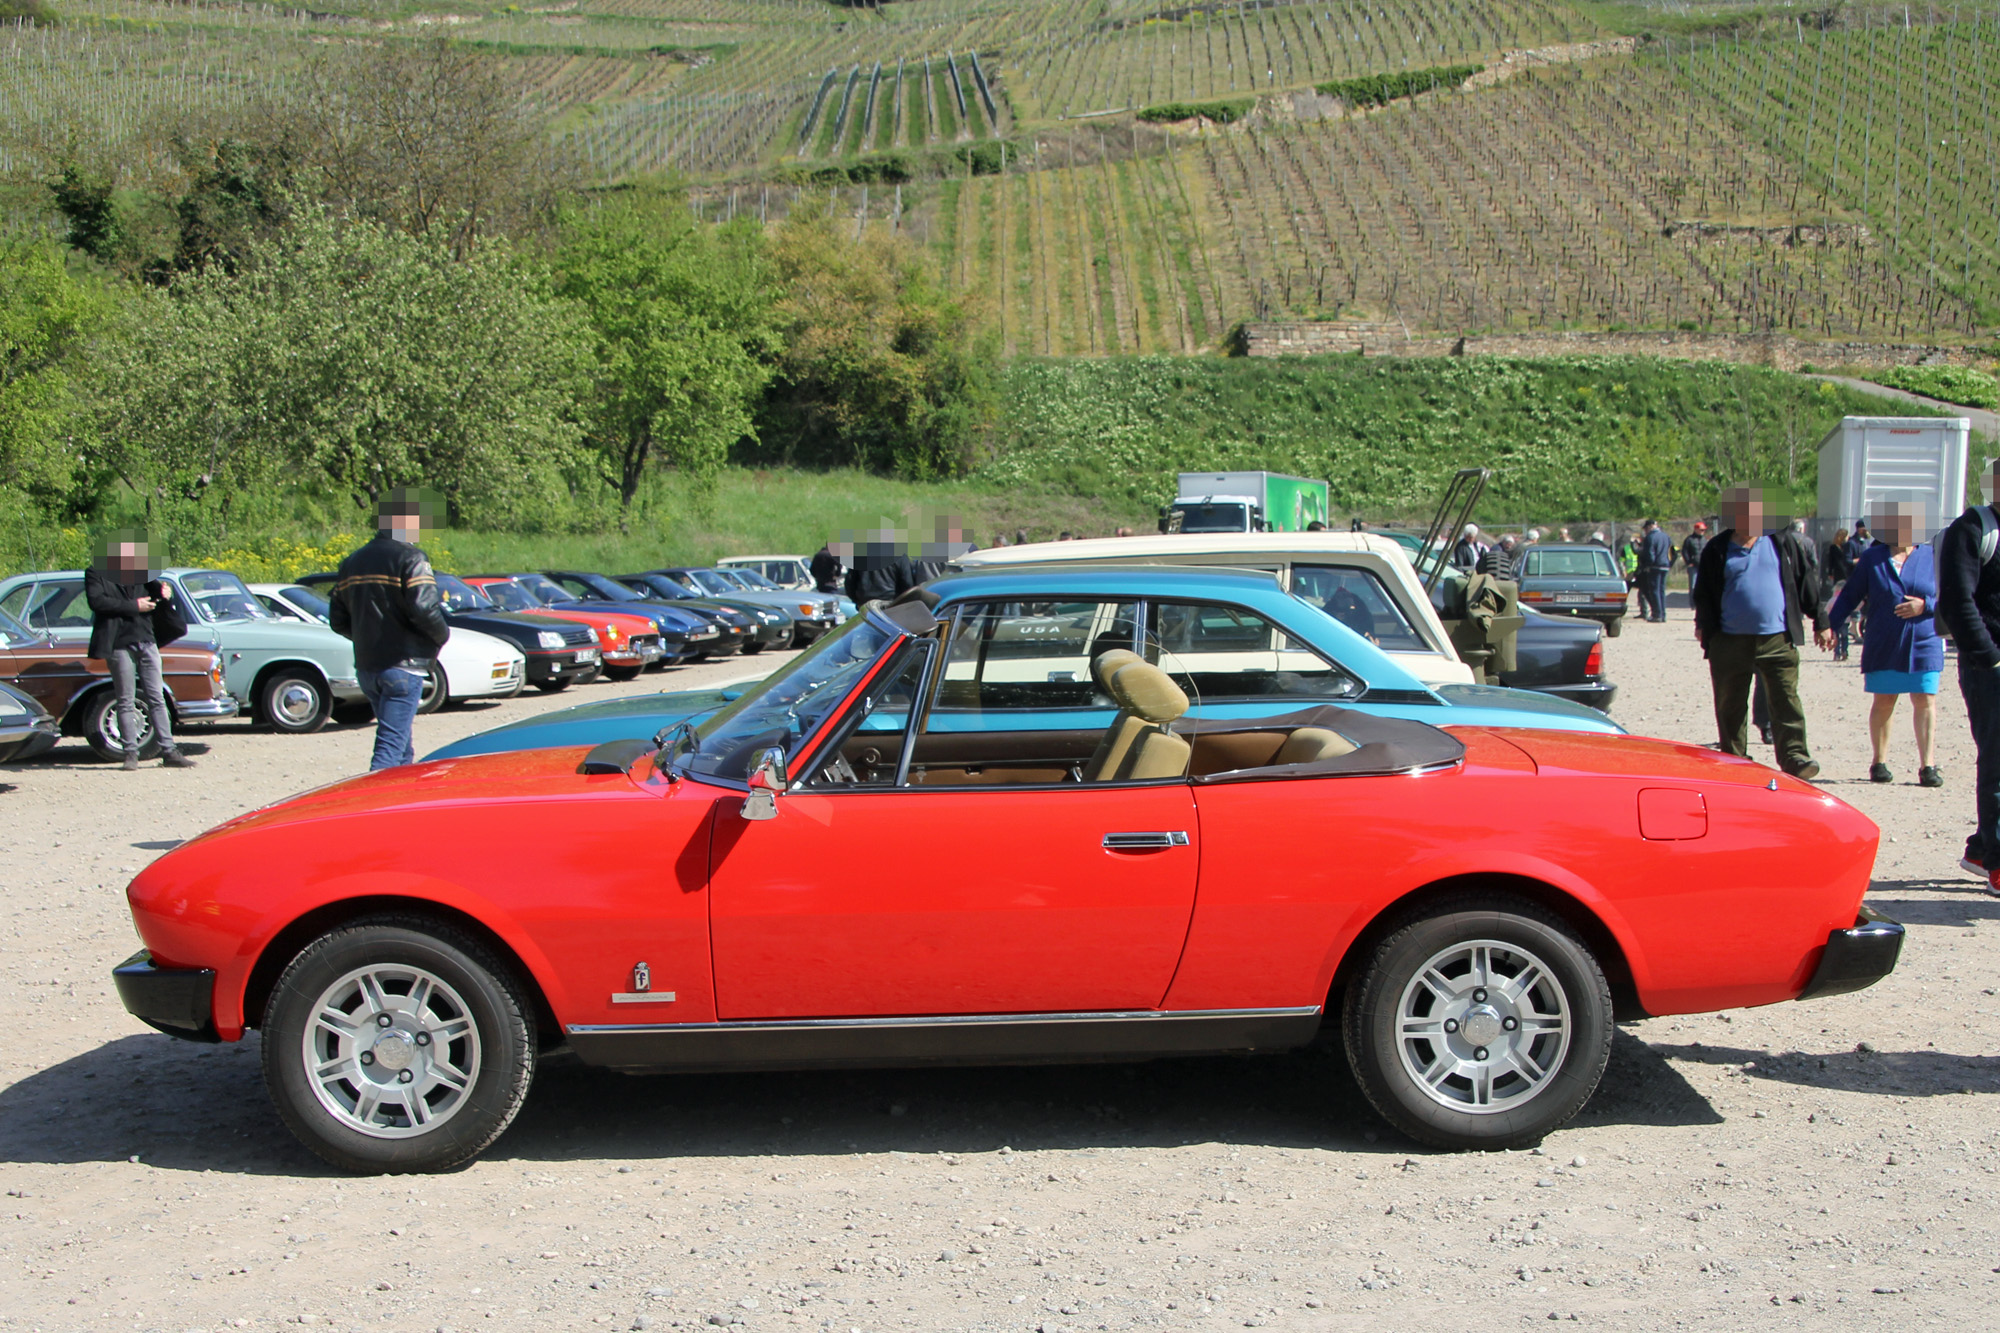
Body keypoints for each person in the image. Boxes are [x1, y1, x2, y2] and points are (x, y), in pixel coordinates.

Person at [1693, 486, 1832, 779]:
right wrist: (1704, 627)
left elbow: (1806, 583)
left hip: (1778, 638)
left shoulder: (1783, 543)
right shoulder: (1717, 548)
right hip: (1730, 640)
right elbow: (1703, 593)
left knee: (1786, 699)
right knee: (1730, 702)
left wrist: (1821, 621)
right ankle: (1734, 759)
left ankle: (1795, 757)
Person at [329, 490, 451, 771]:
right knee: (390, 745)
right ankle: (373, 804)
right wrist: (441, 636)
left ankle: (402, 798)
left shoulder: (351, 562)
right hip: (403, 666)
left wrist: (365, 636)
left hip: (369, 667)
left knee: (401, 743)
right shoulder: (411, 558)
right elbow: (424, 609)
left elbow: (337, 619)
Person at [1828, 502, 1942, 787]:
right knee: (1884, 700)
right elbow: (1851, 594)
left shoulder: (1933, 557)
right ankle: (1879, 762)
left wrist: (1925, 605)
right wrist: (1829, 624)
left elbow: (1953, 596)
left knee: (1925, 700)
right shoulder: (1873, 558)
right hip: (1883, 641)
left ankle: (1927, 765)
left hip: (1923, 641)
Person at [1936, 461, 2000, 893]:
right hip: (1989, 666)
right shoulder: (1973, 529)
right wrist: (1990, 658)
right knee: (1998, 762)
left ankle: (1981, 847)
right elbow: (1959, 602)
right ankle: (1997, 861)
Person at [85, 534, 195, 771]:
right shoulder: (95, 573)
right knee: (125, 699)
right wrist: (134, 606)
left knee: (157, 697)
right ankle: (130, 754)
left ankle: (169, 751)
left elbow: (156, 598)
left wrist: (165, 596)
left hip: (146, 639)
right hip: (118, 643)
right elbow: (97, 602)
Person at [844, 527, 913, 607]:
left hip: (866, 604)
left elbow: (850, 583)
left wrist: (857, 601)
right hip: (891, 603)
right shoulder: (900, 556)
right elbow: (907, 584)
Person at [1823, 526, 1856, 660]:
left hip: (1846, 573)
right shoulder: (1834, 547)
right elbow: (1832, 562)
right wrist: (1830, 573)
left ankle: (1842, 651)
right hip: (1838, 573)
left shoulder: (1846, 546)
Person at [1637, 518, 1673, 622]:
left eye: (1645, 529)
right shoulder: (1666, 536)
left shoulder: (1650, 537)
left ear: (1649, 527)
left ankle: (1657, 614)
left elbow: (1650, 553)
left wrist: (1648, 565)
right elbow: (1670, 551)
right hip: (1665, 565)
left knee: (1655, 590)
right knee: (1661, 590)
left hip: (1655, 566)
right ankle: (1663, 614)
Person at [1681, 521, 1708, 597]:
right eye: (1701, 530)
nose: (1703, 531)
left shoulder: (1704, 540)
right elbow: (1684, 551)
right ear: (1696, 529)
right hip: (1693, 566)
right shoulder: (1689, 539)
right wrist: (1688, 562)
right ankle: (1693, 604)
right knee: (1693, 586)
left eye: (1704, 530)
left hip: (1703, 565)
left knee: (1704, 585)